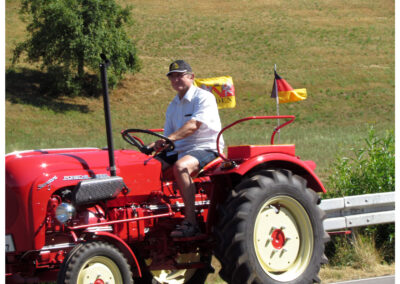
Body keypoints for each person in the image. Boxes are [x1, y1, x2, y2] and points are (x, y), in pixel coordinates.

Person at [153, 60, 224, 238]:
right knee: (148, 166)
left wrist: (169, 139)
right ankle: (156, 214)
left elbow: (193, 125)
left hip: (206, 147)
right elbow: (169, 135)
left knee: (181, 167)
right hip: (180, 148)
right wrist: (156, 145)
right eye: (172, 77)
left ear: (191, 77)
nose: (175, 80)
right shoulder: (173, 105)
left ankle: (191, 221)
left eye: (180, 75)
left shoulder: (204, 98)